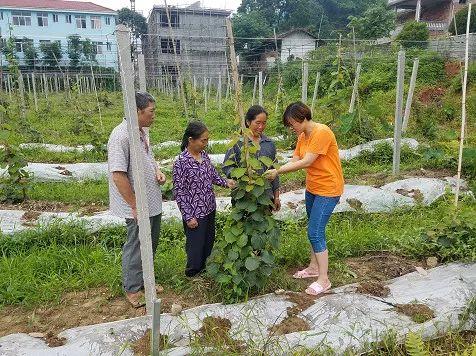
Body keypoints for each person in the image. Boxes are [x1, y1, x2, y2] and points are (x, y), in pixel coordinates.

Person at [265, 102, 344, 296]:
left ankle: (324, 279)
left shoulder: (321, 132)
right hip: (313, 187)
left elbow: (307, 161)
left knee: (315, 232)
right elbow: (295, 160)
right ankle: (313, 267)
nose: (291, 127)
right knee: (314, 228)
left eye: (292, 123)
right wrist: (276, 168)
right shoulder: (303, 136)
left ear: (303, 117)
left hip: (329, 189)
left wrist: (278, 171)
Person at [107, 92, 166, 308]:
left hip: (151, 200)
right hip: (137, 205)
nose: (154, 115)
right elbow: (118, 174)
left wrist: (157, 171)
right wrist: (134, 204)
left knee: (150, 242)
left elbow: (149, 158)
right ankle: (132, 288)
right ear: (137, 112)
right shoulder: (121, 136)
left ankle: (146, 280)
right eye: (151, 111)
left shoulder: (141, 132)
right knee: (136, 244)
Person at [173, 121, 235, 277]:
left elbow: (213, 175)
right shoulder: (181, 162)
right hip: (194, 212)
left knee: (208, 241)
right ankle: (193, 274)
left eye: (207, 140)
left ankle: (205, 270)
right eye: (203, 140)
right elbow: (179, 192)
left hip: (209, 207)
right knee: (195, 245)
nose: (206, 144)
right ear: (191, 140)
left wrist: (226, 183)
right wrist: (188, 216)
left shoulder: (204, 156)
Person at [222, 105, 280, 211]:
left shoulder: (269, 144)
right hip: (243, 196)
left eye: (264, 123)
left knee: (263, 224)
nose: (261, 127)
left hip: (265, 196)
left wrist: (276, 196)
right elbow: (226, 167)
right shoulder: (238, 143)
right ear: (248, 122)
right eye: (258, 123)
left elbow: (275, 171)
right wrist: (242, 174)